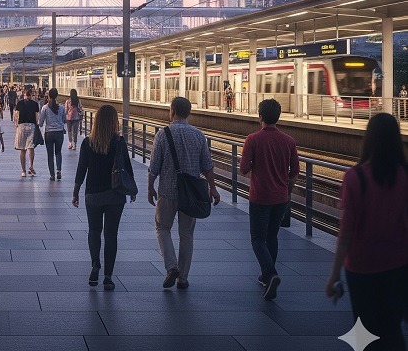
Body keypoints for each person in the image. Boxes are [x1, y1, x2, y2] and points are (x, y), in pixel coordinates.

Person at [326, 113, 408, 351]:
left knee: (364, 330)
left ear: (368, 139)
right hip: (398, 264)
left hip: (361, 267)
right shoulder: (404, 176)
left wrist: (333, 275)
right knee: (393, 324)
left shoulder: (355, 178)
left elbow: (346, 233)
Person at [148, 97, 221, 289]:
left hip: (167, 191)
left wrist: (150, 187)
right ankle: (183, 278)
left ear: (171, 111)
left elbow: (154, 166)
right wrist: (213, 189)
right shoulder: (199, 136)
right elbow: (207, 167)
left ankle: (171, 267)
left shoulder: (163, 134)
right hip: (190, 195)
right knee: (186, 235)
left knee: (162, 228)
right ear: (189, 112)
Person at [239, 98, 300, 301]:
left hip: (260, 197)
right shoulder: (289, 141)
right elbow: (295, 171)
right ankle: (266, 277)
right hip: (281, 197)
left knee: (257, 238)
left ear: (260, 116)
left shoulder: (253, 139)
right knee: (272, 236)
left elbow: (244, 168)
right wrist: (287, 188)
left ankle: (270, 273)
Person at [72, 104, 137, 290]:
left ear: (97, 121)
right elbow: (126, 167)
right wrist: (132, 190)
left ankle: (95, 264)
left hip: (93, 194)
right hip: (115, 195)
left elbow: (81, 169)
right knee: (111, 235)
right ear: (114, 122)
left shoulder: (88, 143)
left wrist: (76, 191)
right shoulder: (119, 142)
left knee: (94, 231)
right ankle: (108, 277)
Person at [39, 88, 67, 181]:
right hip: (59, 133)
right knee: (58, 152)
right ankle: (59, 170)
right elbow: (64, 120)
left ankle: (52, 174)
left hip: (49, 134)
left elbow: (41, 123)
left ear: (49, 96)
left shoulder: (45, 108)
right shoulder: (62, 108)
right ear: (57, 96)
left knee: (50, 154)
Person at [14, 86, 41, 178]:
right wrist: (37, 124)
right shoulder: (35, 104)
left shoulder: (20, 103)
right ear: (31, 95)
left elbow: (16, 115)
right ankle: (31, 166)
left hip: (21, 126)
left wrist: (16, 124)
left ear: (23, 95)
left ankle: (23, 171)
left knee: (22, 149)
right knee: (31, 148)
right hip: (31, 126)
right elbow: (37, 116)